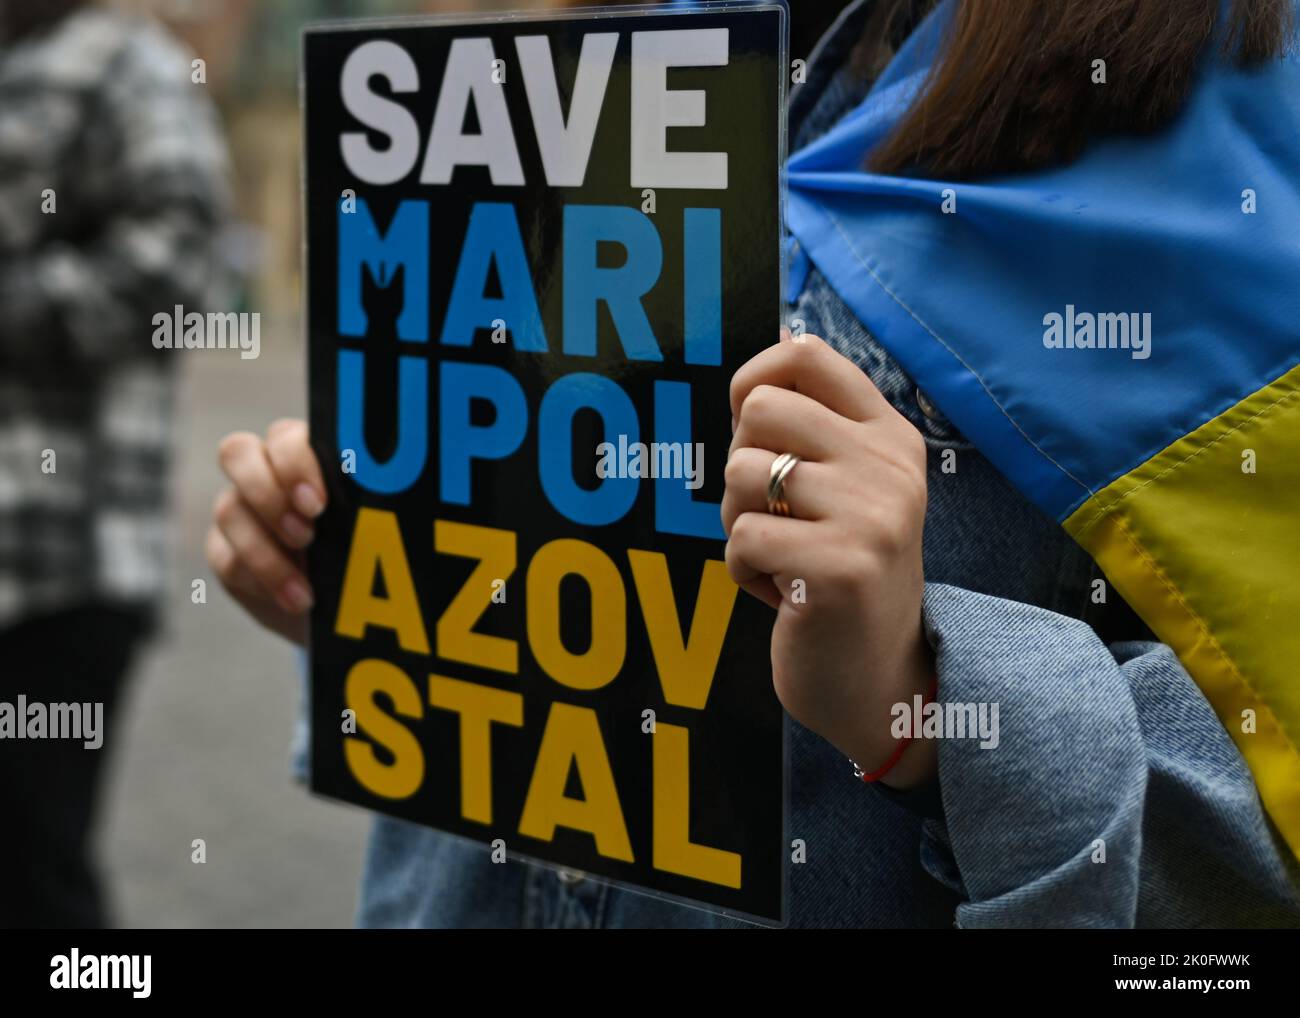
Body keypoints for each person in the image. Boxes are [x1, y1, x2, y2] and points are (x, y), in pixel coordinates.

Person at [208, 0, 1300, 927]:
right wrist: (386, 582)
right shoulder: (606, 51)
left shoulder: (1249, 91)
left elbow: (1261, 835)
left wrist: (928, 713)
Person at [0, 0, 231, 927]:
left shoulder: (124, 60)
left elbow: (180, 253)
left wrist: (20, 302)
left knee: (38, 871)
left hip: (65, 560)